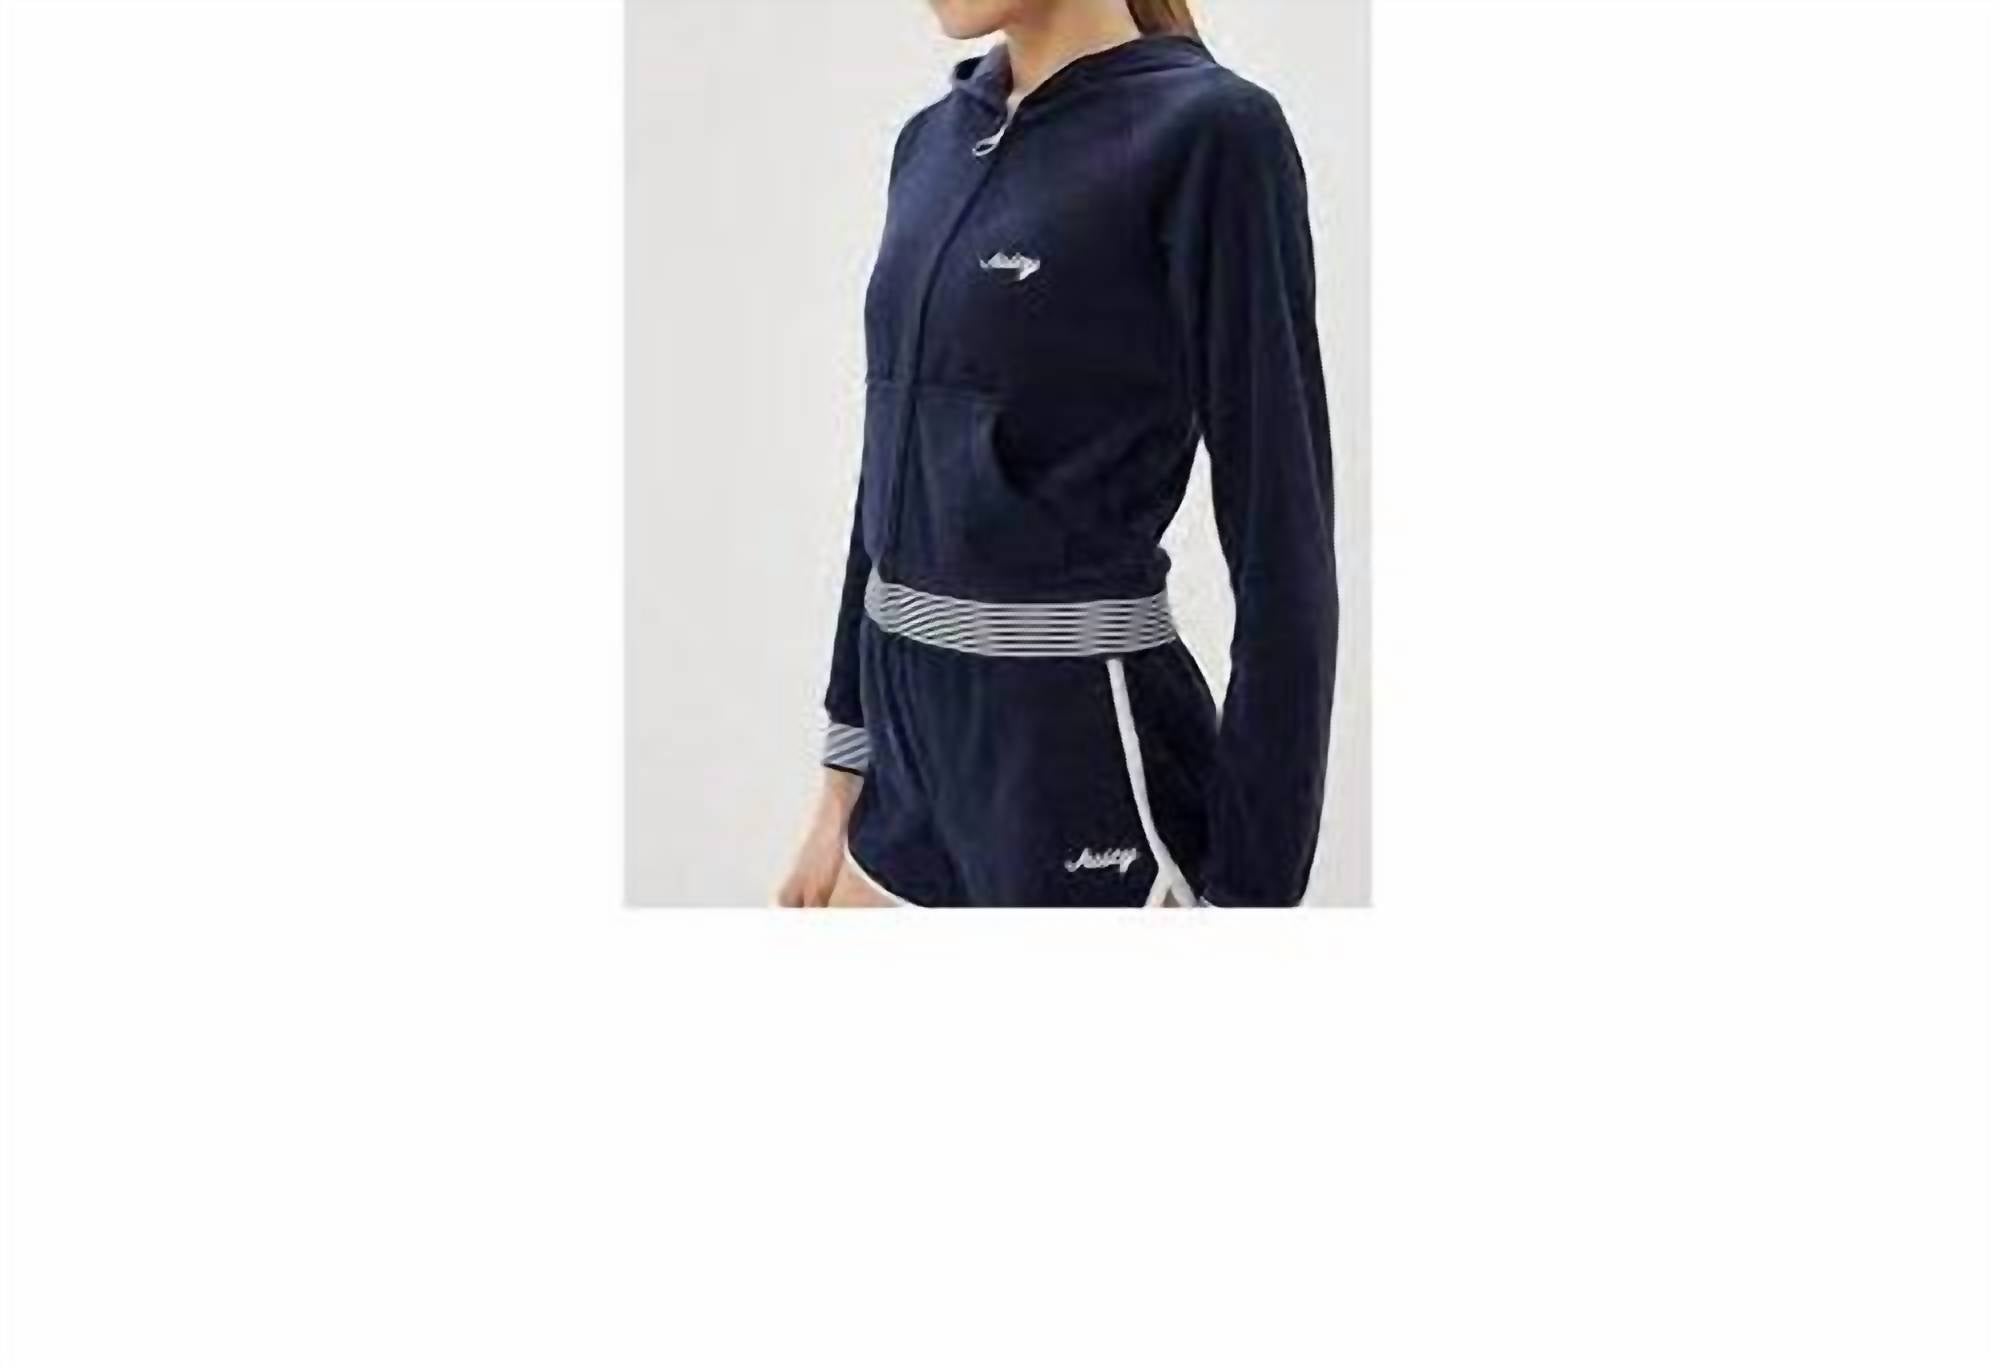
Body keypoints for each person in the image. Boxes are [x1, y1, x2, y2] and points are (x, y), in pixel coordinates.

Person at [777, 0, 1338, 908]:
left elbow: (1284, 537)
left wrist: (1254, 889)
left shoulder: (1212, 134)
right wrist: (841, 783)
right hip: (903, 794)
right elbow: (888, 469)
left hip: (1082, 772)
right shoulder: (928, 146)